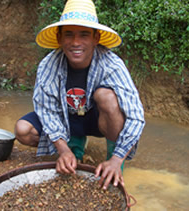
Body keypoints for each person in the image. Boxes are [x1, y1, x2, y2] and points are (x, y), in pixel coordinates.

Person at [15, 0, 145, 190]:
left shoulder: (112, 65)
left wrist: (118, 159)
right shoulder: (48, 65)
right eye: (69, 34)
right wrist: (62, 150)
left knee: (107, 97)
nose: (76, 42)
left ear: (96, 38)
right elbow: (46, 110)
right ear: (59, 38)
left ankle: (113, 164)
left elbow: (136, 116)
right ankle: (74, 147)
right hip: (65, 117)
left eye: (84, 35)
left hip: (95, 119)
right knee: (22, 130)